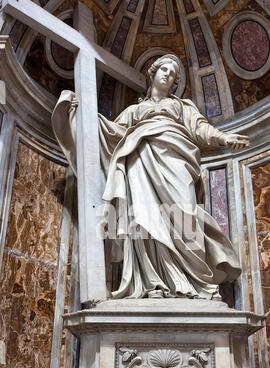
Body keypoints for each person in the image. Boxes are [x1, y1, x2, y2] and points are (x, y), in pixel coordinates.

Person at [52, 54, 249, 300]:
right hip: (139, 162)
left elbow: (200, 129)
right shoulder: (135, 111)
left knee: (184, 215)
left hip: (177, 161)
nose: (168, 75)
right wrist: (81, 115)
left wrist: (223, 138)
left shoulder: (182, 106)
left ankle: (195, 284)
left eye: (173, 74)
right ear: (153, 74)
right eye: (164, 69)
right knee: (144, 220)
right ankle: (152, 283)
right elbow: (112, 133)